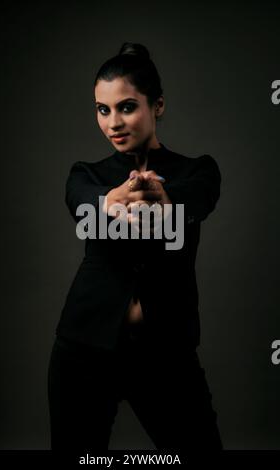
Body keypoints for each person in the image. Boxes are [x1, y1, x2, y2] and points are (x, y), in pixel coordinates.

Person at [47, 41, 223, 454]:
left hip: (165, 355)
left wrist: (167, 201)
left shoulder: (197, 171)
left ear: (157, 105)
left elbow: (198, 196)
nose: (113, 122)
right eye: (102, 109)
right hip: (83, 352)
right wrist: (109, 201)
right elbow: (80, 197)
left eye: (126, 107)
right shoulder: (86, 174)